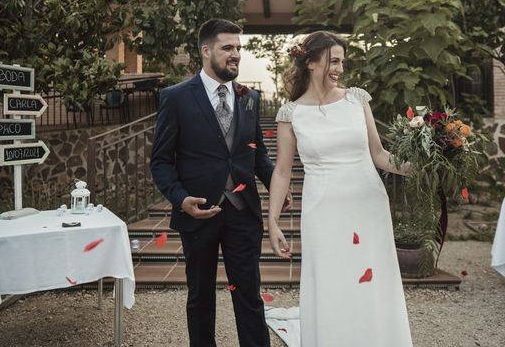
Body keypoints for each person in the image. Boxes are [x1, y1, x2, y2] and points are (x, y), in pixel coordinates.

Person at [268, 31, 413, 346]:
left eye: (342, 62)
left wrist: (420, 167)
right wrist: (273, 221)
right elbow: (281, 171)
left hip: (368, 204)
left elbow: (379, 154)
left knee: (373, 283)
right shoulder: (291, 114)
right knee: (332, 283)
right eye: (333, 61)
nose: (340, 69)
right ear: (310, 62)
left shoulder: (356, 99)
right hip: (323, 211)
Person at [150, 18, 289, 347]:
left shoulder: (249, 98)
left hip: (243, 214)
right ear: (206, 50)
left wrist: (276, 186)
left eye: (239, 48)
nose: (236, 54)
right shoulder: (176, 98)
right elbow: (160, 161)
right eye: (228, 48)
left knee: (250, 297)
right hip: (198, 214)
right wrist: (180, 198)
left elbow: (258, 157)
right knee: (200, 297)